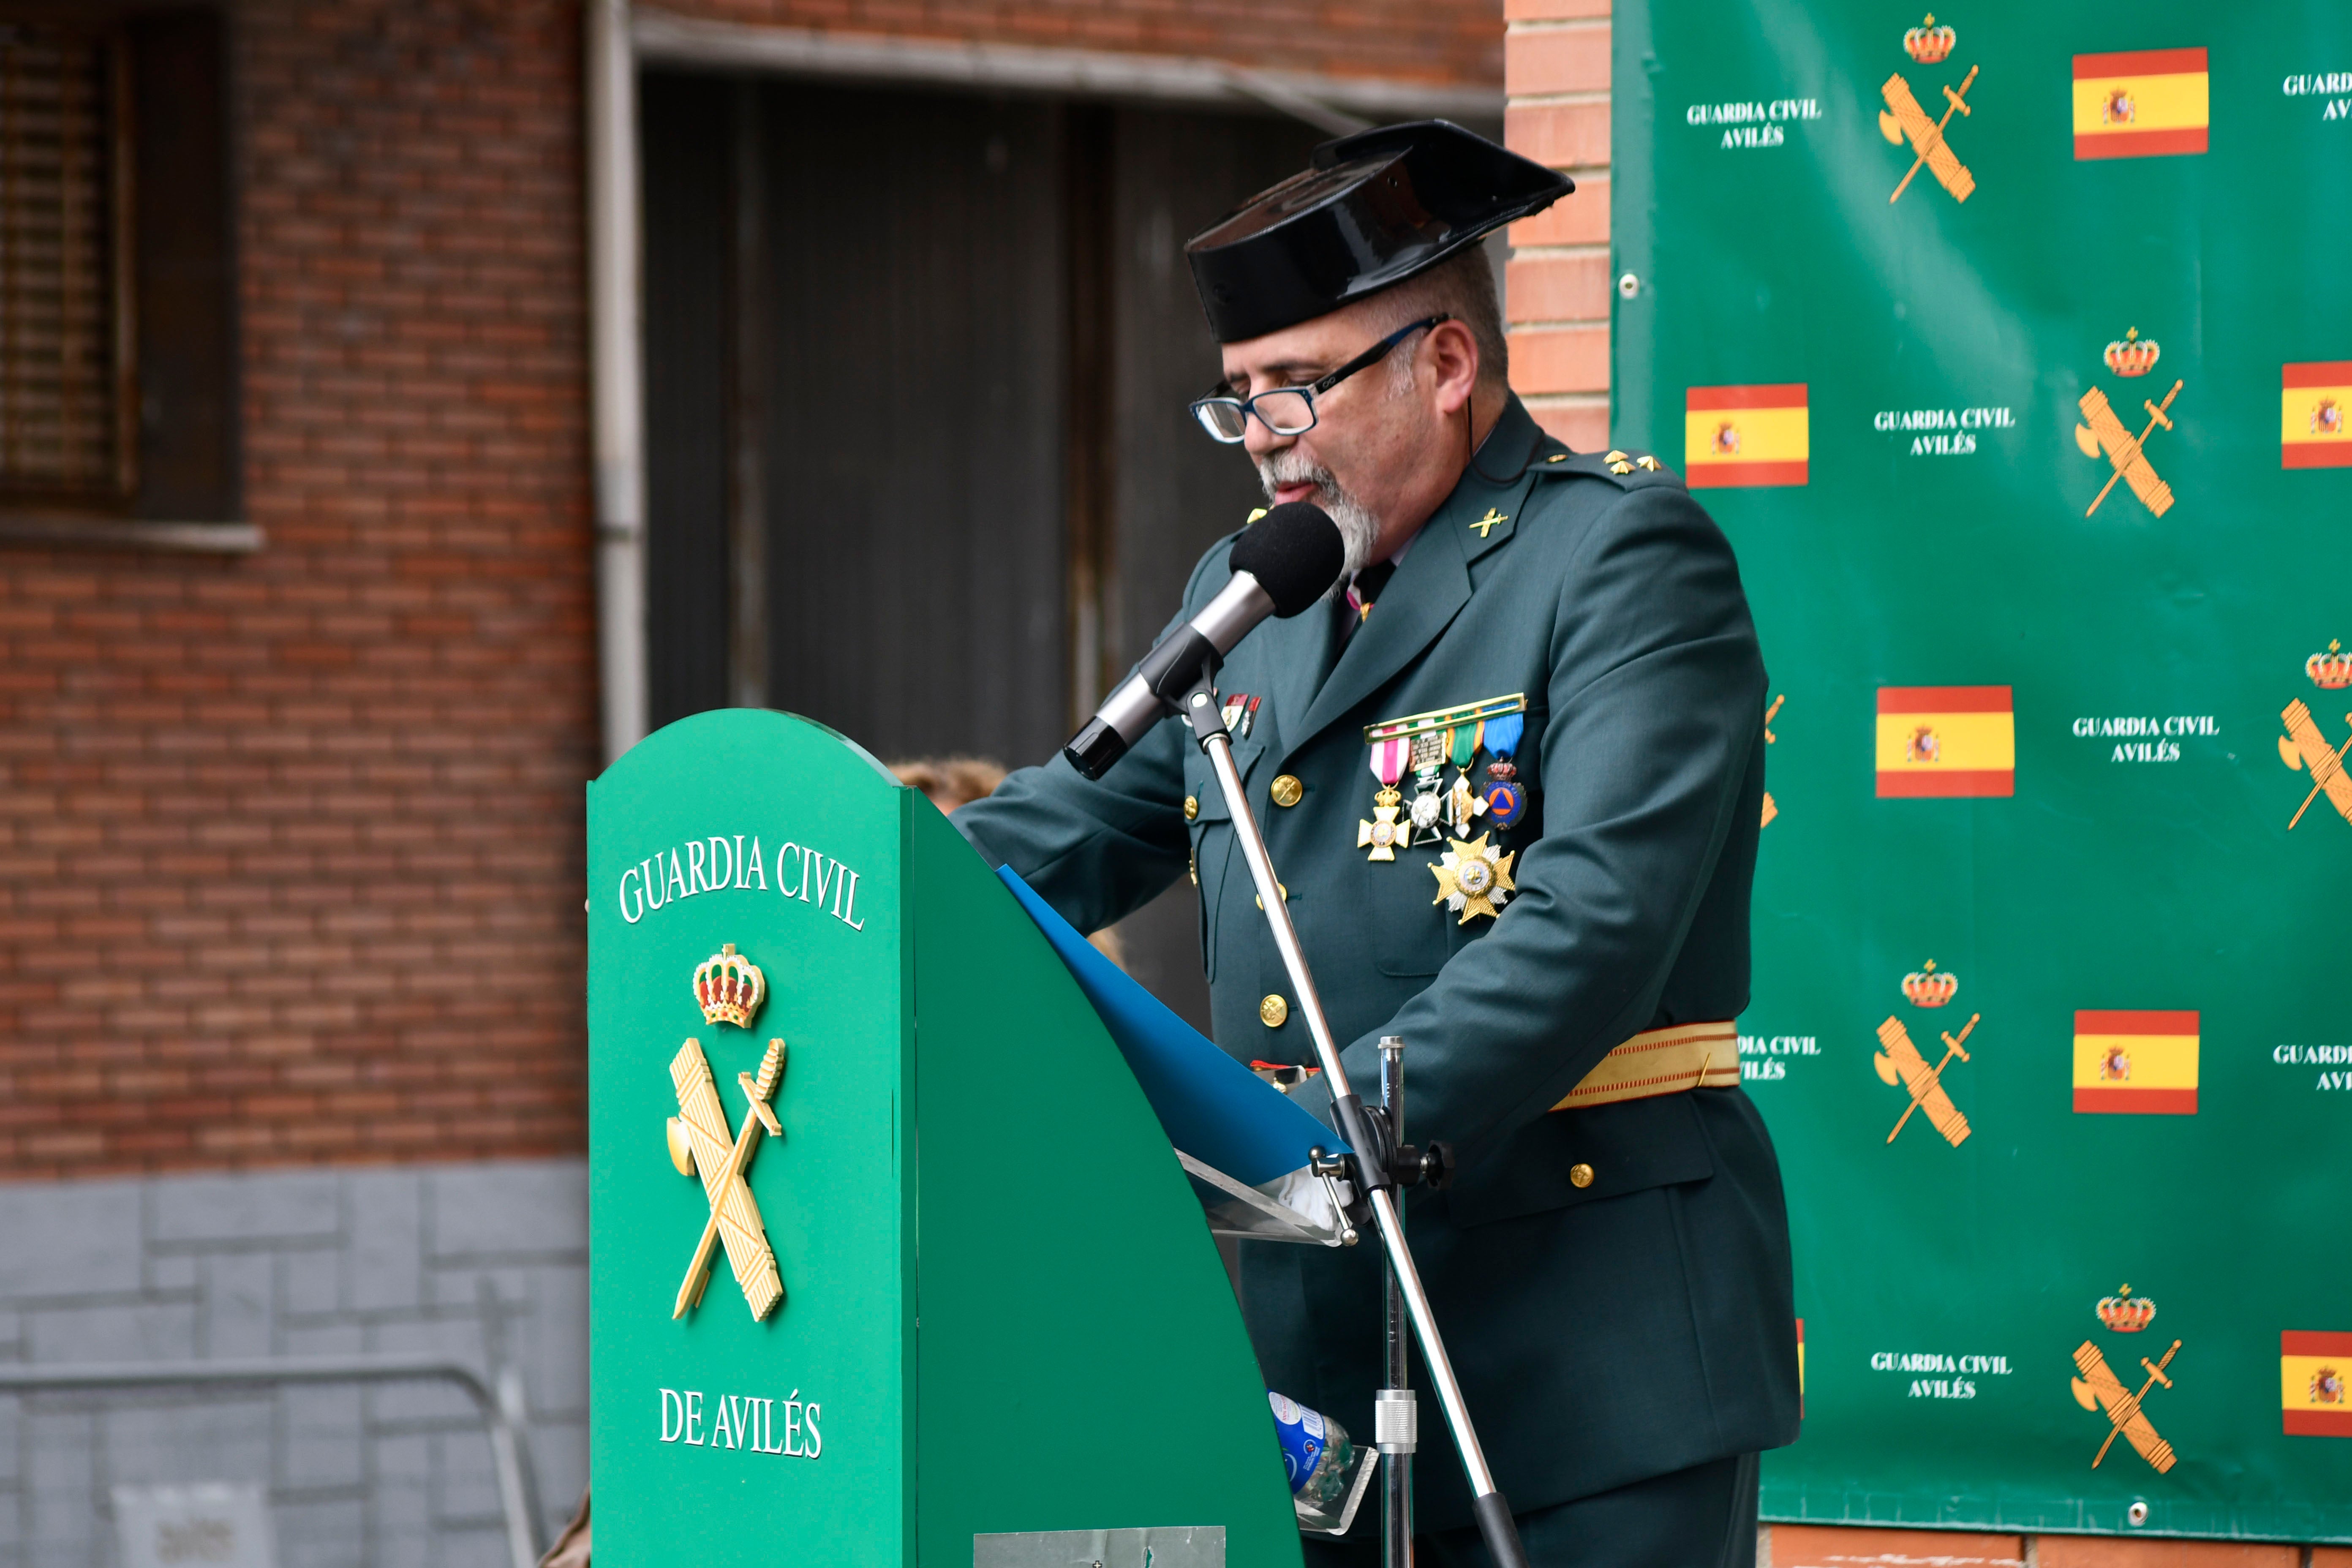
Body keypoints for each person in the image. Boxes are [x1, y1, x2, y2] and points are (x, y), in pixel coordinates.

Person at [953, 121, 1797, 1567]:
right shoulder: (1251, 595)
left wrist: (1319, 1136)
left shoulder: (1617, 558)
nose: (1262, 434)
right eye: (1238, 400)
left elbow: (1596, 916)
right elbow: (1074, 825)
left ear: (1447, 365)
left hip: (1588, 1360)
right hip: (1329, 1360)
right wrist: (847, 889)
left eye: (1297, 387)